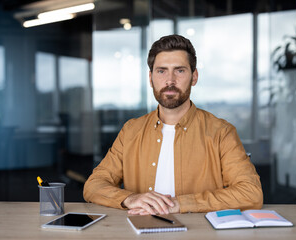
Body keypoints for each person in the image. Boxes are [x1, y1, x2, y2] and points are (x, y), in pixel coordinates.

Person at [83, 34, 263, 215]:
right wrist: (130, 199)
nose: (170, 80)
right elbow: (94, 185)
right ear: (150, 77)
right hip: (139, 230)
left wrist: (181, 204)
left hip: (199, 233)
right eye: (161, 71)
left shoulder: (221, 132)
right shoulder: (131, 131)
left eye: (179, 70)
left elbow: (251, 193)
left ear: (194, 77)